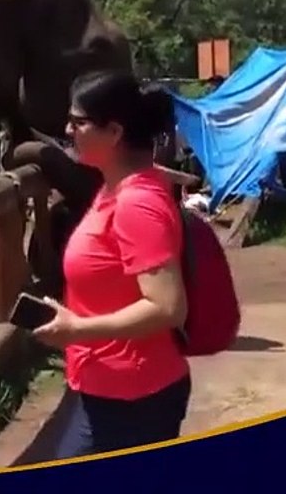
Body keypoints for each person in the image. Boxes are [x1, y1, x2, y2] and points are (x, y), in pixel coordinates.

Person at [31, 70, 191, 458]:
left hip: (131, 397)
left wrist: (78, 329)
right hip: (105, 383)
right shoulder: (120, 184)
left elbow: (168, 307)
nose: (67, 129)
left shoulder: (136, 204)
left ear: (115, 132)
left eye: (78, 121)